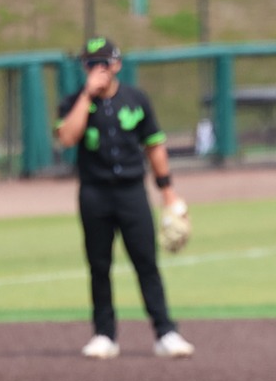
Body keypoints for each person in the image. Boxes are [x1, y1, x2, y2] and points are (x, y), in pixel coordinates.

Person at [53, 37, 195, 360]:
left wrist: (168, 193)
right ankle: (104, 335)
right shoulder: (74, 101)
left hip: (132, 191)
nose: (97, 69)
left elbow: (154, 146)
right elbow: (67, 137)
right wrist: (87, 95)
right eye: (90, 64)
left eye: (103, 63)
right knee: (99, 265)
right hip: (94, 193)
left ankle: (166, 332)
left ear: (117, 65)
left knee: (146, 262)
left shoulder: (136, 99)